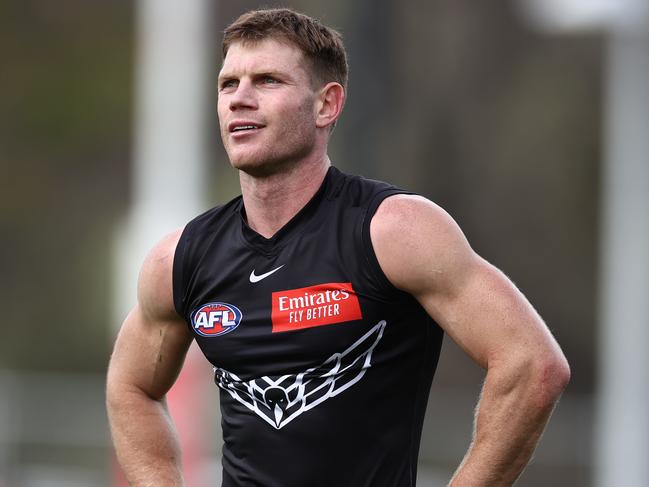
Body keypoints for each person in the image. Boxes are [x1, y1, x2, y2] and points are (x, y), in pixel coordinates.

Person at [106, 8, 570, 487]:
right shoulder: (182, 259)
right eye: (228, 84)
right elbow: (130, 386)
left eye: (266, 81)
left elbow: (532, 364)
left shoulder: (394, 231)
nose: (239, 99)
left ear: (326, 105)